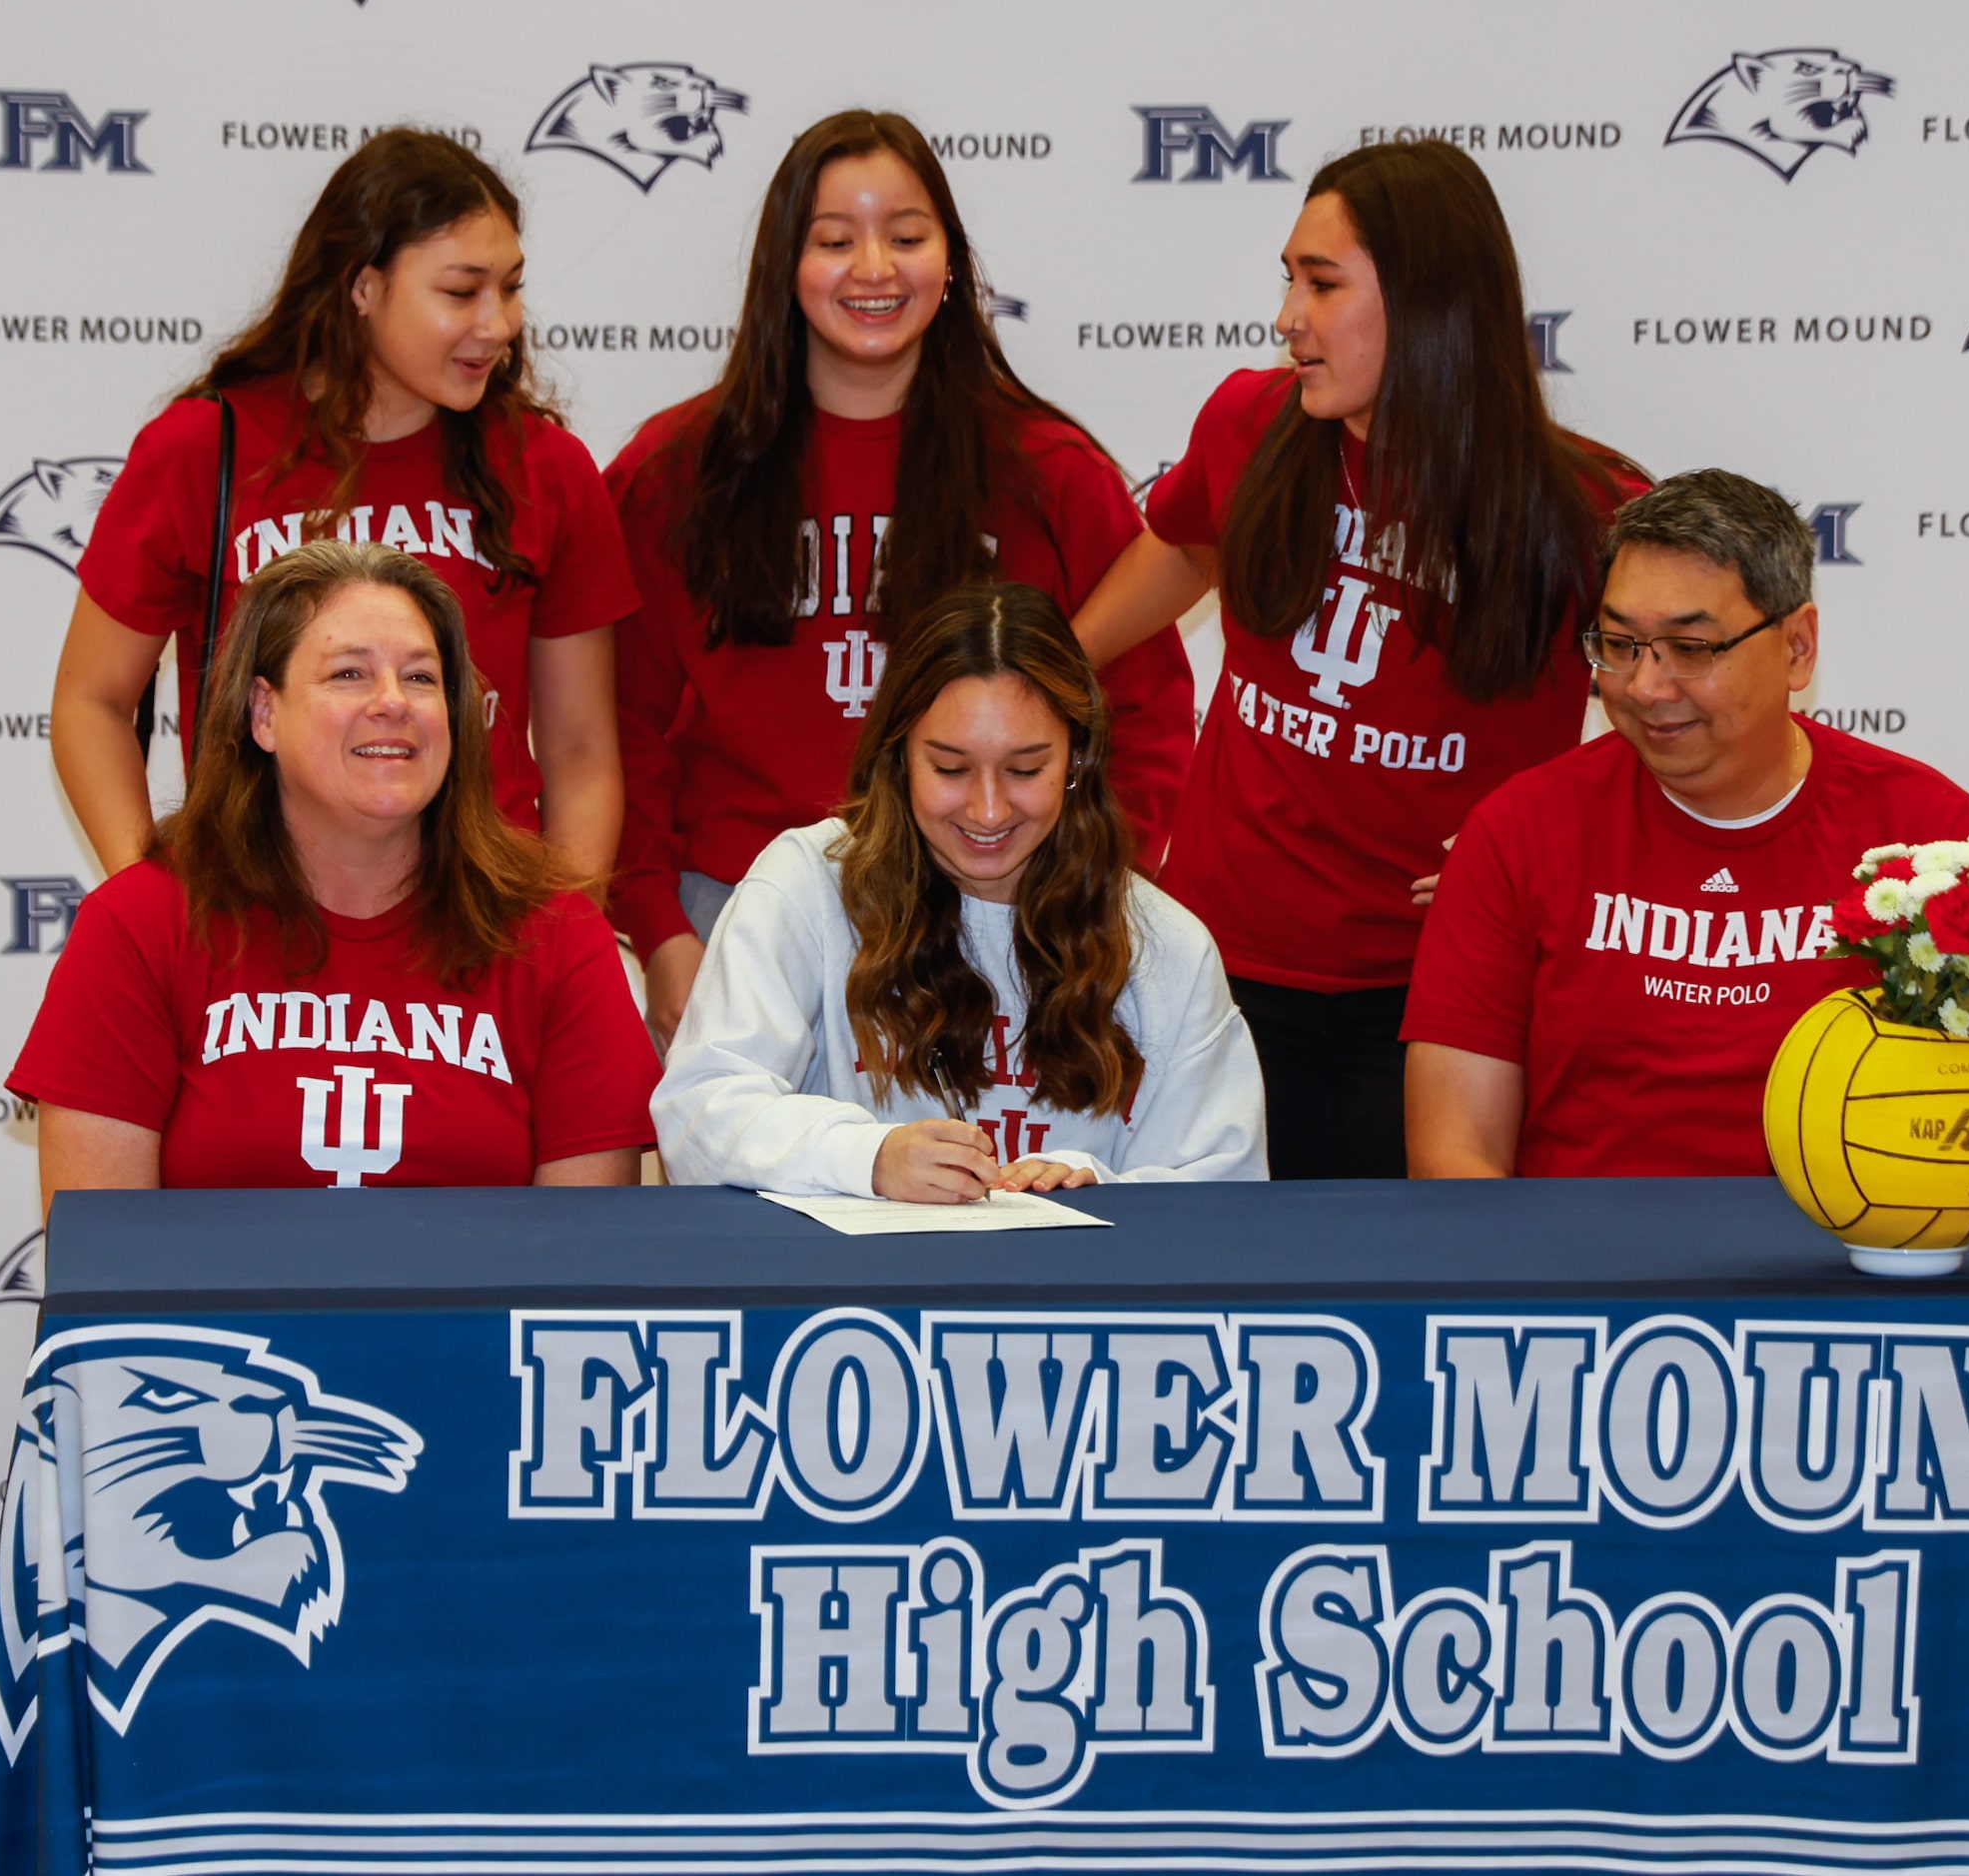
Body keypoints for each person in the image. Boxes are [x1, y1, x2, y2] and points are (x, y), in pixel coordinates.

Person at [1066, 138, 1647, 1180]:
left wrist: (1537, 840)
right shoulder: (1251, 422)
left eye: (1322, 283)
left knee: (1410, 1299)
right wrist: (1045, 670)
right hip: (1218, 968)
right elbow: (1189, 542)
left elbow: (1667, 713)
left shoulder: (1585, 509)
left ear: (1429, 302)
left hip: (1439, 1001)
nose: (1288, 315)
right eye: (1288, 280)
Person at [605, 110, 1200, 1045]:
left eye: (907, 236)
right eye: (835, 240)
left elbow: (1147, 702)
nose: (874, 268)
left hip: (995, 918)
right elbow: (615, 727)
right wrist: (660, 927)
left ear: (950, 260)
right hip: (738, 915)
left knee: (984, 1193)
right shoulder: (676, 472)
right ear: (782, 268)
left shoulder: (1045, 470)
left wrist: (1094, 896)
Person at [1401, 470, 1969, 1236]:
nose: (1644, 685)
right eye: (1619, 644)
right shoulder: (1518, 830)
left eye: (1690, 647)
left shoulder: (1926, 836)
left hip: (1844, 1298)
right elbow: (1452, 1158)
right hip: (1582, 1288)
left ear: (1797, 647)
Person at [56, 129, 634, 876]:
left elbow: (580, 751)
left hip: (481, 926)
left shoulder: (545, 467)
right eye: (461, 291)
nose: (498, 324)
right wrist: (144, 903)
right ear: (362, 287)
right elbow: (91, 702)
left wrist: (567, 938)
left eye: (512, 287)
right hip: (260, 914)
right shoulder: (203, 449)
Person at [12, 539, 656, 1205]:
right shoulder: (140, 923)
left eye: (420, 677)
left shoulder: (556, 933)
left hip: (465, 1313)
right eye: (349, 674)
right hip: (204, 1314)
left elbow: (580, 1265)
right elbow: (105, 1266)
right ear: (263, 713)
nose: (392, 702)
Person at [652, 581, 1264, 1199]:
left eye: (1026, 770)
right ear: (898, 756)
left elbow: (1223, 1190)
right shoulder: (805, 886)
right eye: (950, 768)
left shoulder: (1166, 947)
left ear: (1078, 758)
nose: (989, 810)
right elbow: (700, 1113)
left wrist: (1097, 1190)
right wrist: (868, 1157)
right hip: (853, 1293)